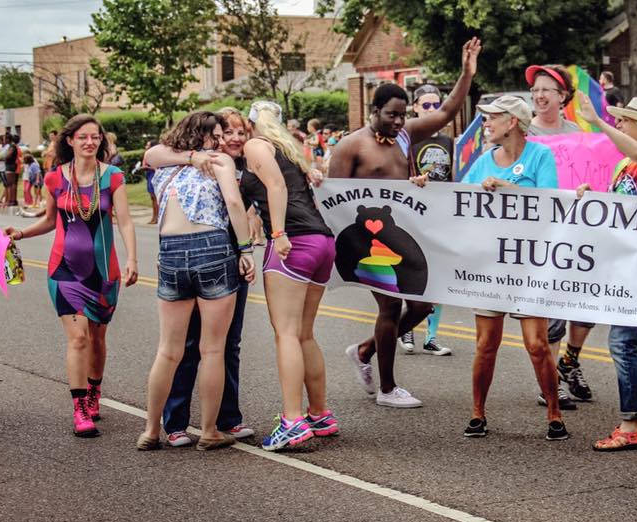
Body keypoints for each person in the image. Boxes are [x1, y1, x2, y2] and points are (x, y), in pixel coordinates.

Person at [329, 37, 480, 408]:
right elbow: (333, 200)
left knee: (423, 306)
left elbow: (445, 112)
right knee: (390, 306)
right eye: (391, 115)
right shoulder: (351, 146)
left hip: (404, 235)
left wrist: (466, 74)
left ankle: (364, 351)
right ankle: (387, 388)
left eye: (402, 115)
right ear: (374, 110)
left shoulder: (405, 137)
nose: (398, 121)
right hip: (367, 241)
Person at [5, 114, 138, 437]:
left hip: (105, 272)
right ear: (70, 141)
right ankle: (80, 408)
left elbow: (125, 221)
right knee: (78, 338)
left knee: (97, 338)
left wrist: (133, 257)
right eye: (83, 137)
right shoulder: (54, 179)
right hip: (63, 270)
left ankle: (94, 390)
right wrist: (20, 234)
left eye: (95, 137)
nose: (90, 142)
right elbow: (51, 221)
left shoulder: (114, 177)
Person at [136, 111, 255, 451]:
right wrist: (245, 249)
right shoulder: (218, 161)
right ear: (201, 135)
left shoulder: (164, 166)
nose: (220, 141)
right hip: (212, 247)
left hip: (170, 251)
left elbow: (152, 153)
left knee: (168, 350)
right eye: (216, 134)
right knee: (213, 348)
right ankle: (210, 430)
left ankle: (151, 429)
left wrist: (191, 154)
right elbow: (233, 201)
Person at [460, 94, 567, 441]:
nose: (486, 124)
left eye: (492, 117)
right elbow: (453, 204)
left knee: (537, 345)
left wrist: (508, 187)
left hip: (529, 267)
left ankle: (554, 414)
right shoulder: (482, 162)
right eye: (485, 118)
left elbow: (552, 202)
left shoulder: (540, 156)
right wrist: (424, 189)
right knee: (485, 345)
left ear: (513, 123)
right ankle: (477, 413)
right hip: (491, 265)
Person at [575, 94, 637, 451]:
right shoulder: (622, 168)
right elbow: (616, 211)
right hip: (627, 265)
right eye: (616, 120)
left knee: (621, 342)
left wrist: (597, 122)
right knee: (633, 344)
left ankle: (630, 423)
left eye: (624, 121)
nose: (618, 124)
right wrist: (592, 196)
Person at [242, 100, 339, 450]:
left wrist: (278, 233)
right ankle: (319, 413)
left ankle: (293, 420)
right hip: (322, 241)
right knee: (304, 334)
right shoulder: (290, 150)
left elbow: (276, 189)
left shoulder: (256, 146)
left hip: (294, 241)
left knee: (285, 333)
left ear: (252, 124)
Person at [525, 64, 590, 408]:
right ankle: (548, 385)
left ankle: (570, 362)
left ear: (563, 96)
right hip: (541, 234)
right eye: (536, 90)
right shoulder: (524, 134)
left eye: (547, 89)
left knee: (584, 304)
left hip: (576, 230)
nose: (539, 95)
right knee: (550, 312)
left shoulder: (578, 134)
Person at [396, 84, 454, 357]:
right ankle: (407, 327)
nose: (432, 110)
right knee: (411, 273)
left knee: (439, 276)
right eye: (426, 105)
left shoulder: (449, 142)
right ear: (415, 107)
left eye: (436, 105)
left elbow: (454, 175)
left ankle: (431, 336)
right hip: (412, 214)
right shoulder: (405, 139)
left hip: (441, 215)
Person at [140, 141, 159, 223]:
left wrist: (147, 167)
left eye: (148, 145)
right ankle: (154, 217)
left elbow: (156, 167)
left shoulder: (155, 155)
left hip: (153, 175)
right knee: (152, 197)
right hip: (148, 175)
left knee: (155, 197)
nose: (146, 146)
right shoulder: (146, 154)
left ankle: (156, 217)